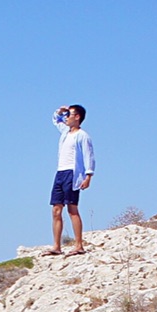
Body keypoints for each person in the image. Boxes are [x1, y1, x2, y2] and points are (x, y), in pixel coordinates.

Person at [47, 104, 95, 255]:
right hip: (60, 173)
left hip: (73, 173)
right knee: (56, 209)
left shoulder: (83, 136)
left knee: (72, 209)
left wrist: (88, 176)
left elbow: (89, 156)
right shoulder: (65, 132)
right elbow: (56, 119)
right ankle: (56, 246)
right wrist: (60, 110)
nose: (66, 117)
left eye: (70, 114)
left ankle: (78, 245)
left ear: (77, 117)